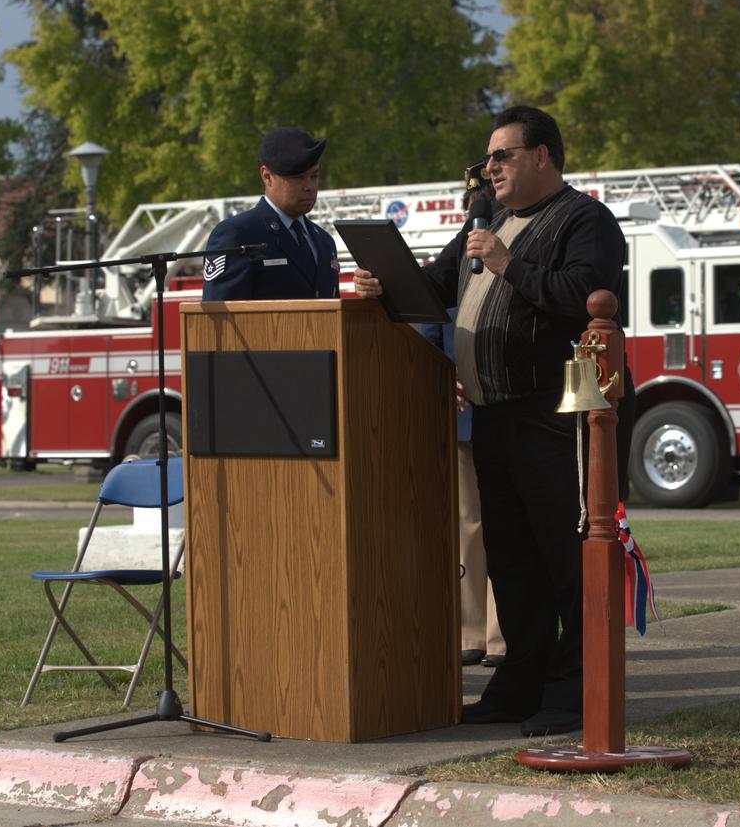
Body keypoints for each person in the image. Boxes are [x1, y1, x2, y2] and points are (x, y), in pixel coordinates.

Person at [353, 106, 629, 737]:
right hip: (495, 419)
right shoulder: (490, 221)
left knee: (568, 561)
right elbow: (432, 286)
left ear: (542, 156)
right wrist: (383, 282)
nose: (490, 168)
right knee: (513, 562)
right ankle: (518, 686)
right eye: (488, 158)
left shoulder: (585, 220)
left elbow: (582, 295)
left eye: (502, 156)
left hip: (556, 418)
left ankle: (574, 693)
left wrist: (508, 264)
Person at [420, 172, 506, 670]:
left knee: (505, 526)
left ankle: (502, 634)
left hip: (507, 409)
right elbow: (426, 327)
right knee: (466, 524)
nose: (477, 220)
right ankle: (471, 632)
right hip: (461, 416)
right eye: (472, 213)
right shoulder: (452, 265)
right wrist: (442, 374)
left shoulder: (513, 259)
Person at [202, 127, 339, 301]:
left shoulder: (324, 242)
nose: (309, 186)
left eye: (314, 176)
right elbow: (220, 319)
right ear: (267, 176)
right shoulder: (238, 234)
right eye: (298, 177)